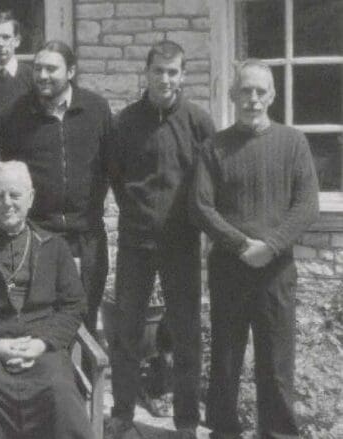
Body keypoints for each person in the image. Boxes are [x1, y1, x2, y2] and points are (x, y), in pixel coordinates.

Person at [191, 59, 319, 439]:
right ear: (233, 95)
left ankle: (278, 434)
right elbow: (200, 206)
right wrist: (240, 244)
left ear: (273, 96)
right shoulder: (214, 147)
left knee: (276, 362)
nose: (253, 98)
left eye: (261, 91)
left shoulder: (293, 143)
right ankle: (224, 431)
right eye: (245, 90)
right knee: (226, 360)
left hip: (276, 271)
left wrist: (272, 246)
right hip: (229, 268)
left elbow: (307, 205)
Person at [105, 40, 216, 439]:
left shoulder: (198, 122)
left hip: (181, 242)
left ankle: (185, 421)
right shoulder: (125, 122)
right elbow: (116, 177)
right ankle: (122, 412)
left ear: (182, 76)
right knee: (127, 331)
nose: (165, 79)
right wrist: (137, 214)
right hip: (135, 242)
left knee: (186, 334)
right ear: (147, 73)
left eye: (172, 72)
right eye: (158, 71)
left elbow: (209, 181)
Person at [0, 161, 94, 439]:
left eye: (15, 195)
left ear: (30, 198)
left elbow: (73, 306)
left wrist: (39, 344)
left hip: (42, 349)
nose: (7, 203)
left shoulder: (54, 246)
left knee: (60, 390)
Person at [0, 40, 114, 334]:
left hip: (87, 235)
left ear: (71, 71)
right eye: (38, 68)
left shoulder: (96, 109)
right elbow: (8, 172)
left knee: (86, 316)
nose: (42, 75)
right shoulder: (16, 114)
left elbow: (112, 166)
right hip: (39, 235)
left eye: (51, 69)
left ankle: (85, 366)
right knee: (41, 318)